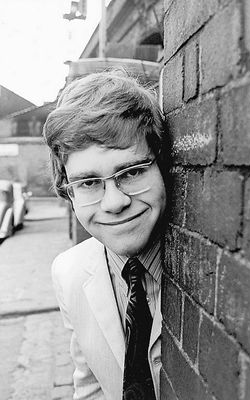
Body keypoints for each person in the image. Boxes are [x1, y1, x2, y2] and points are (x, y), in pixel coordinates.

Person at [43, 69, 169, 400]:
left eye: (132, 172)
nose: (114, 203)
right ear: (68, 193)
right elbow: (90, 384)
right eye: (88, 183)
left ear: (163, 168)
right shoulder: (67, 272)